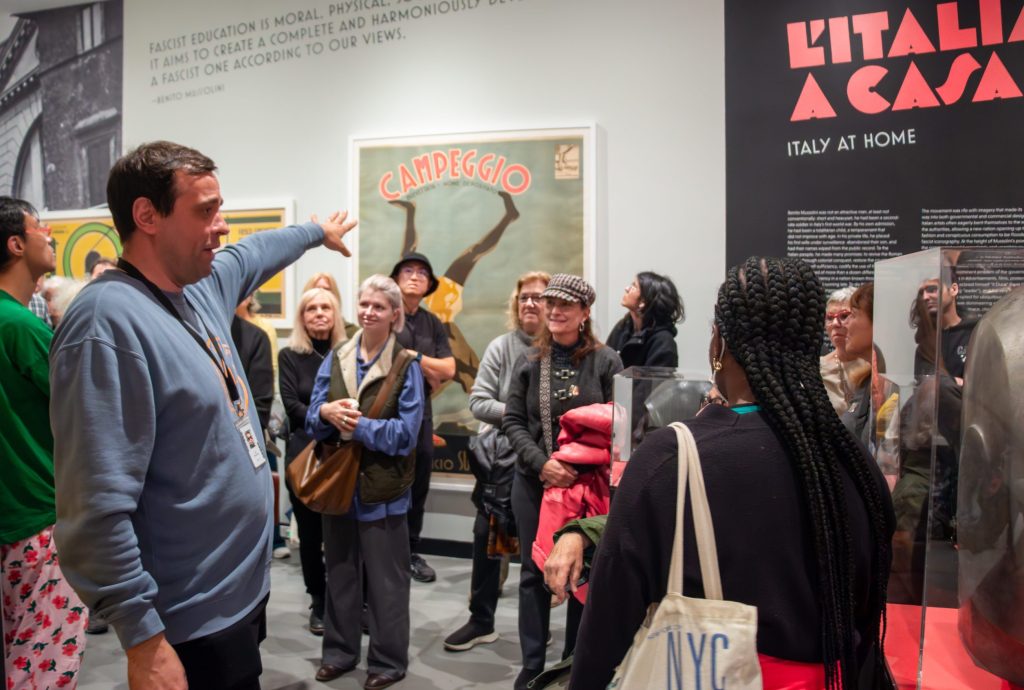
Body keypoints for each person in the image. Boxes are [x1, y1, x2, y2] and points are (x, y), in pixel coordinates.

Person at [49, 140, 358, 690]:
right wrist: (143, 639)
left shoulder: (202, 286)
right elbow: (93, 508)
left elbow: (260, 249)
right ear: (146, 216)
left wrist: (316, 234)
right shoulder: (106, 325)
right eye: (205, 211)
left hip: (239, 593)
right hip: (183, 622)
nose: (221, 227)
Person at [555, 257, 894, 690]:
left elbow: (608, 619)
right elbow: (867, 604)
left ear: (718, 343)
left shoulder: (672, 456)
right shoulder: (854, 462)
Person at [502, 273, 623, 690]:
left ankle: (574, 661)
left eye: (565, 305)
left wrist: (584, 469)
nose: (554, 311)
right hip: (535, 483)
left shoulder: (607, 361)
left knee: (583, 574)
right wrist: (541, 464)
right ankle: (532, 665)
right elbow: (513, 421)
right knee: (533, 574)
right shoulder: (531, 361)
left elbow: (621, 424)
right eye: (550, 303)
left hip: (588, 487)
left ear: (585, 313)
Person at [306, 275, 424, 690]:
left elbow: (405, 436)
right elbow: (311, 417)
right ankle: (339, 654)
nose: (368, 312)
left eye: (378, 306)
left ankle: (388, 661)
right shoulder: (337, 355)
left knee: (388, 582)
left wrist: (357, 428)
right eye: (363, 304)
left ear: (395, 315)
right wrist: (325, 416)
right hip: (339, 488)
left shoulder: (407, 364)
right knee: (339, 574)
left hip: (383, 492)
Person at [0, 196, 88, 689]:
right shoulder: (20, 327)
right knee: (42, 658)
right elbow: (78, 408)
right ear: (16, 243)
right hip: (37, 518)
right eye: (40, 229)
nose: (50, 234)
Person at [443, 270, 550, 652]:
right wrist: (522, 415)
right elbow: (478, 401)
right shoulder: (502, 347)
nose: (530, 303)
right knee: (489, 540)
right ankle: (481, 620)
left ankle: (547, 634)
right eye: (524, 297)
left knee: (549, 548)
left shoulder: (563, 349)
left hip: (553, 468)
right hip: (505, 464)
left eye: (538, 296)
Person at [278, 286, 349, 634]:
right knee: (309, 534)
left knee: (344, 534)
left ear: (336, 315)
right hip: (304, 456)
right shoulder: (290, 355)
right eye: (311, 308)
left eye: (325, 307)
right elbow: (292, 405)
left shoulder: (348, 353)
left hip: (344, 456)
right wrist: (326, 413)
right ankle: (318, 600)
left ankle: (348, 599)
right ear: (302, 317)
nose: (319, 313)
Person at [390, 252, 456, 583]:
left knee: (419, 483)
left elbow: (449, 369)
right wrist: (426, 369)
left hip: (423, 415)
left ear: (429, 284)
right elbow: (383, 363)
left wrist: (413, 357)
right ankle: (389, 551)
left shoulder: (433, 323)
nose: (415, 276)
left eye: (422, 272)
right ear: (396, 278)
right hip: (387, 412)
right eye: (408, 270)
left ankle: (411, 552)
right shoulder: (385, 316)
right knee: (390, 480)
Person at [606, 271, 685, 368]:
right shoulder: (623, 326)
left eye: (634, 286)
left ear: (643, 301)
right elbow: (605, 364)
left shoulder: (663, 342)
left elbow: (654, 382)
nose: (626, 289)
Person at [820, 286, 870, 415]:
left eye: (844, 316)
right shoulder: (818, 368)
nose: (835, 323)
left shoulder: (872, 364)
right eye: (829, 318)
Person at [302, 272, 358, 338]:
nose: (321, 294)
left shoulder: (352, 333)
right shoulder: (301, 332)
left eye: (326, 290)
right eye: (316, 289)